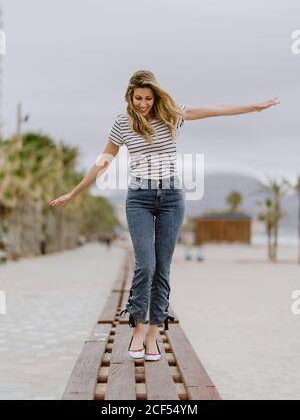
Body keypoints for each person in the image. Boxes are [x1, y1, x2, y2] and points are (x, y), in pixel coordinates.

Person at [49, 70, 279, 362]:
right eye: (138, 98)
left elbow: (214, 110)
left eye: (147, 98)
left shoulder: (171, 115)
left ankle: (153, 335)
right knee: (146, 264)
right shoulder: (122, 123)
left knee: (163, 268)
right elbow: (103, 162)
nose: (143, 103)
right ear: (129, 98)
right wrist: (74, 192)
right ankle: (137, 328)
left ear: (155, 97)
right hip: (139, 199)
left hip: (172, 198)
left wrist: (254, 107)